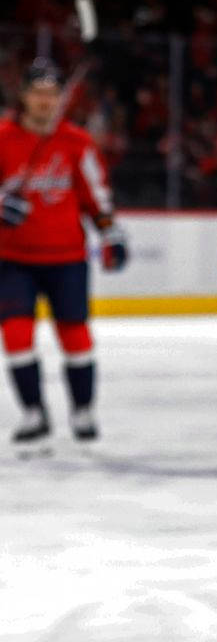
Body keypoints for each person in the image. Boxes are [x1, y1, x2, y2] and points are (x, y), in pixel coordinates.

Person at [0, 58, 128, 444]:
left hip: (67, 257)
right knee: (16, 334)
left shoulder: (77, 142)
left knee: (75, 335)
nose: (46, 101)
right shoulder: (2, 138)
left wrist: (109, 232)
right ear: (24, 96)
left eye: (52, 94)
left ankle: (83, 409)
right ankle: (33, 412)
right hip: (13, 259)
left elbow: (96, 195)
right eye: (38, 93)